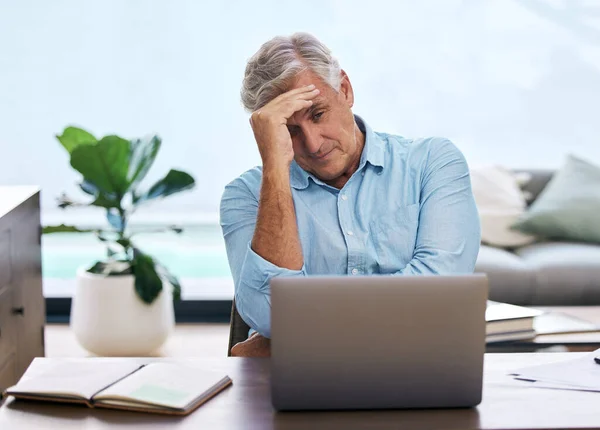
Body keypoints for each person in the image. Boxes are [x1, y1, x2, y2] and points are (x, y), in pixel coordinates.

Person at [220, 32, 481, 357]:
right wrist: (275, 167)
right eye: (290, 129)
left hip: (416, 367)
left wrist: (291, 337)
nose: (313, 144)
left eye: (317, 114)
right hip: (307, 387)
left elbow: (440, 291)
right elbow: (267, 312)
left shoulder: (432, 162)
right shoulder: (244, 195)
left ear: (344, 89)